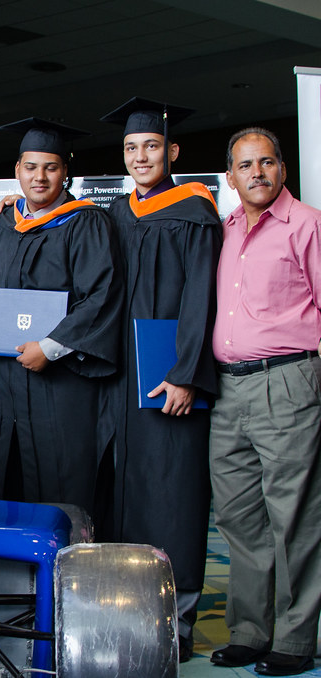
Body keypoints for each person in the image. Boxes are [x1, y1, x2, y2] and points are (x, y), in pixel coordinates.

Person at [100, 97, 221, 662]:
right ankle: (131, 614)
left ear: (172, 151)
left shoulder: (195, 212)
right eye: (131, 148)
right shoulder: (119, 214)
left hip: (170, 379)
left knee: (174, 493)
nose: (141, 156)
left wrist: (185, 374)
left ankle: (180, 619)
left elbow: (202, 298)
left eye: (151, 146)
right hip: (122, 379)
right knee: (126, 494)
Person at [208, 127, 321, 676]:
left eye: (268, 162)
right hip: (229, 388)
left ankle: (296, 639)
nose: (257, 173)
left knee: (294, 519)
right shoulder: (225, 230)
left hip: (289, 382)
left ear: (283, 169)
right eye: (246, 165)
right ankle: (251, 631)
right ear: (230, 177)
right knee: (239, 518)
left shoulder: (307, 225)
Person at [0, 119, 123, 524]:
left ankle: (65, 575)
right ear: (18, 170)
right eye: (30, 167)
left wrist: (51, 346)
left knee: (62, 481)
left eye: (51, 167)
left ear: (65, 172)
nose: (39, 177)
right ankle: (5, 583)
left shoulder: (87, 222)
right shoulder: (4, 224)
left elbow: (102, 295)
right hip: (8, 380)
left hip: (61, 382)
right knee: (5, 475)